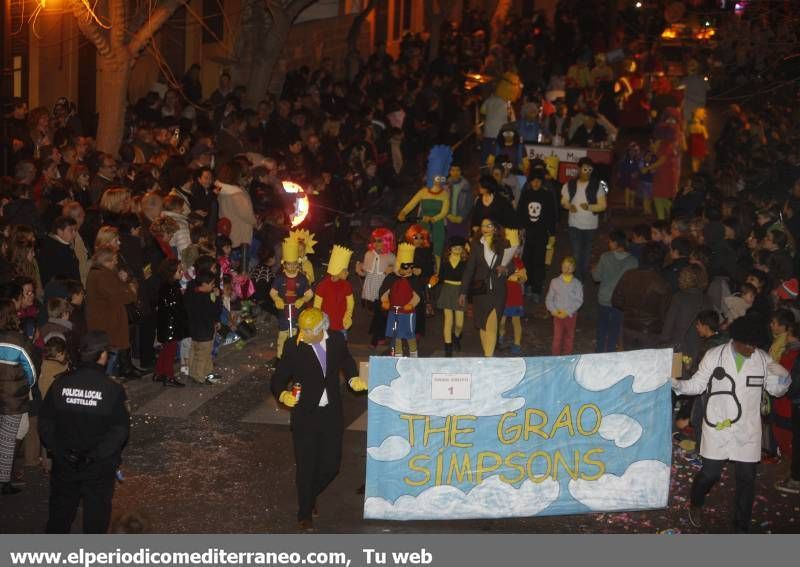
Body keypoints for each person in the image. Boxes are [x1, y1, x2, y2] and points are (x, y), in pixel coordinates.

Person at [673, 315, 790, 533]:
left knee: (747, 479)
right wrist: (677, 385)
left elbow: (776, 390)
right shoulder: (714, 356)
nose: (752, 349)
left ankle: (740, 528)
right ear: (736, 340)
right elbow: (697, 385)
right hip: (717, 426)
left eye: (756, 345)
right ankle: (696, 503)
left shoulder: (763, 359)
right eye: (749, 344)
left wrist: (783, 379)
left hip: (747, 430)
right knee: (710, 474)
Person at [271, 308, 366, 530]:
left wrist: (352, 378)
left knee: (331, 465)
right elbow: (279, 377)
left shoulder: (336, 340)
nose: (301, 334)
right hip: (305, 413)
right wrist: (282, 394)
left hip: (331, 412)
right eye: (301, 329)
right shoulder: (293, 346)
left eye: (307, 330)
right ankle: (304, 512)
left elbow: (346, 360)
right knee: (305, 466)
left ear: (321, 328)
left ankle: (310, 494)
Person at [39, 330, 130, 533]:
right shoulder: (112, 389)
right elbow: (120, 431)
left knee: (59, 517)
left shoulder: (60, 383)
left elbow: (45, 423)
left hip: (65, 464)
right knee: (95, 520)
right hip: (98, 467)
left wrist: (60, 450)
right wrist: (96, 455)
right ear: (102, 355)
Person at [458, 218, 513, 357]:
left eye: (488, 225)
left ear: (495, 228)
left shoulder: (504, 244)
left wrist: (505, 269)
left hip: (498, 290)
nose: (485, 228)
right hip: (480, 291)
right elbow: (469, 269)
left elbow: (512, 266)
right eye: (483, 226)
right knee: (482, 324)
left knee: (493, 324)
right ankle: (487, 354)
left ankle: (489, 358)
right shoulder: (476, 244)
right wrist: (463, 293)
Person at [0, 298, 39, 495]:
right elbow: (31, 371)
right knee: (9, 439)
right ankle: (4, 481)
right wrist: (27, 387)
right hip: (13, 398)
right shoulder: (18, 341)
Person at [561, 157, 607, 284]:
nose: (587, 171)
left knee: (586, 256)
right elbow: (564, 201)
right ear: (579, 168)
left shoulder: (597, 185)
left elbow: (603, 205)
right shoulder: (570, 184)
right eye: (585, 169)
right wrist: (569, 206)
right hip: (574, 224)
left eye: (590, 169)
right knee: (576, 253)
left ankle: (581, 277)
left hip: (590, 226)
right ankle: (578, 279)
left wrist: (590, 207)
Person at [593, 229, 638, 353]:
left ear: (615, 243)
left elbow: (596, 277)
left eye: (610, 242)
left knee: (602, 328)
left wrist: (594, 269)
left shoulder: (605, 257)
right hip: (620, 301)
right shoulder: (633, 261)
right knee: (615, 330)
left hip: (604, 299)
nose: (609, 244)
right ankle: (611, 353)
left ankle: (599, 353)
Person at [184, 271, 223, 385]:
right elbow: (215, 311)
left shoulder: (191, 293)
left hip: (194, 329)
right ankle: (199, 376)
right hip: (205, 329)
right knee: (203, 355)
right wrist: (217, 298)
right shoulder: (205, 298)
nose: (213, 286)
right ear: (204, 284)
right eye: (211, 284)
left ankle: (199, 373)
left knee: (194, 351)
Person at [546, 256, 584, 356]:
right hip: (557, 315)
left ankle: (567, 356)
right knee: (557, 337)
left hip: (571, 315)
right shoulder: (555, 282)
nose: (567, 269)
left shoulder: (577, 284)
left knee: (569, 336)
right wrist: (554, 311)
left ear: (574, 268)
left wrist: (567, 312)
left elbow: (579, 300)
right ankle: (555, 357)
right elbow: (549, 299)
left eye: (569, 267)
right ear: (561, 267)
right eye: (564, 266)